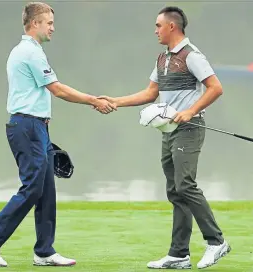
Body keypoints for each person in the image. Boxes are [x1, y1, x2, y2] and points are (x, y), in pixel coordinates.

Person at [0, 2, 115, 267]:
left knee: (46, 190)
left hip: (36, 128)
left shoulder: (30, 51)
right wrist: (93, 100)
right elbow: (58, 90)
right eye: (49, 22)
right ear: (35, 23)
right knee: (33, 187)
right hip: (27, 127)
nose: (53, 27)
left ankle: (44, 251)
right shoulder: (30, 52)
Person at [98, 6, 231, 270]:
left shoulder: (192, 56)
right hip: (168, 132)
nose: (155, 30)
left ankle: (216, 242)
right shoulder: (162, 59)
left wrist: (191, 110)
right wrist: (115, 101)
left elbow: (216, 88)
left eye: (158, 26)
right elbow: (150, 94)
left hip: (190, 128)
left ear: (172, 27)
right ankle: (179, 254)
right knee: (175, 190)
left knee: (185, 185)